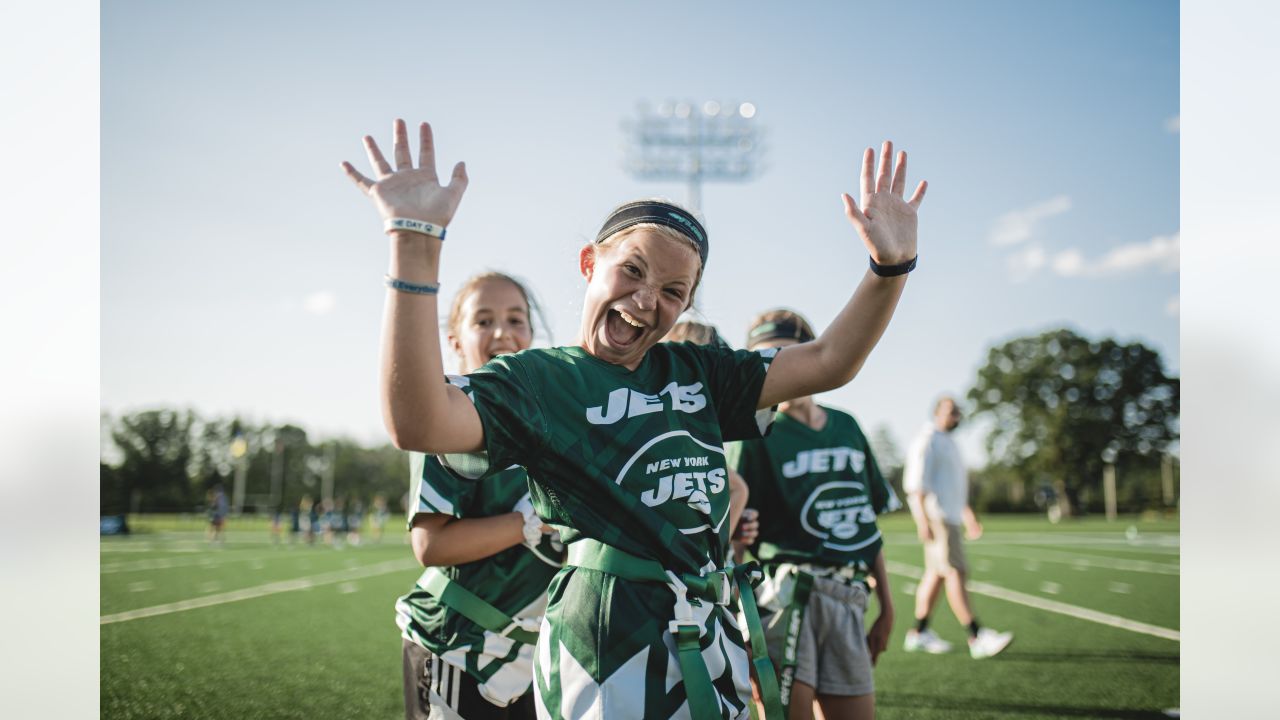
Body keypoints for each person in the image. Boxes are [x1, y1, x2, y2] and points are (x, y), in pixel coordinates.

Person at [342, 118, 926, 719]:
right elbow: (419, 423)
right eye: (633, 270)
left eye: (675, 291)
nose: (648, 299)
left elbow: (831, 360)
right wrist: (414, 246)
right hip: (605, 645)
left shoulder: (699, 371)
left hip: (705, 629)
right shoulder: (542, 380)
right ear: (589, 263)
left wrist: (890, 267)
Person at [395, 271, 564, 720]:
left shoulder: (552, 424)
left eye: (515, 319)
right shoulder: (447, 414)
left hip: (531, 649)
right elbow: (430, 545)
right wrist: (527, 523)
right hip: (458, 643)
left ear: (531, 333)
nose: (502, 332)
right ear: (456, 340)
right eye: (483, 321)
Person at [727, 309, 899, 720]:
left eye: (786, 354)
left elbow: (864, 523)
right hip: (786, 596)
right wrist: (741, 616)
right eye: (765, 360)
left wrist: (888, 606)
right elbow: (732, 535)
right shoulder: (754, 435)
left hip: (848, 595)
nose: (778, 368)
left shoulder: (847, 426)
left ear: (812, 352)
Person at [902, 396, 1013, 659]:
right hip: (937, 518)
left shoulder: (949, 442)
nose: (957, 417)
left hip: (949, 517)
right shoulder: (928, 440)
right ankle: (977, 636)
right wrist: (922, 522)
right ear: (937, 413)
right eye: (952, 412)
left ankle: (918, 633)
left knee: (937, 575)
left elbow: (953, 489)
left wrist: (968, 516)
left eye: (958, 412)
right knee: (956, 572)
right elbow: (917, 486)